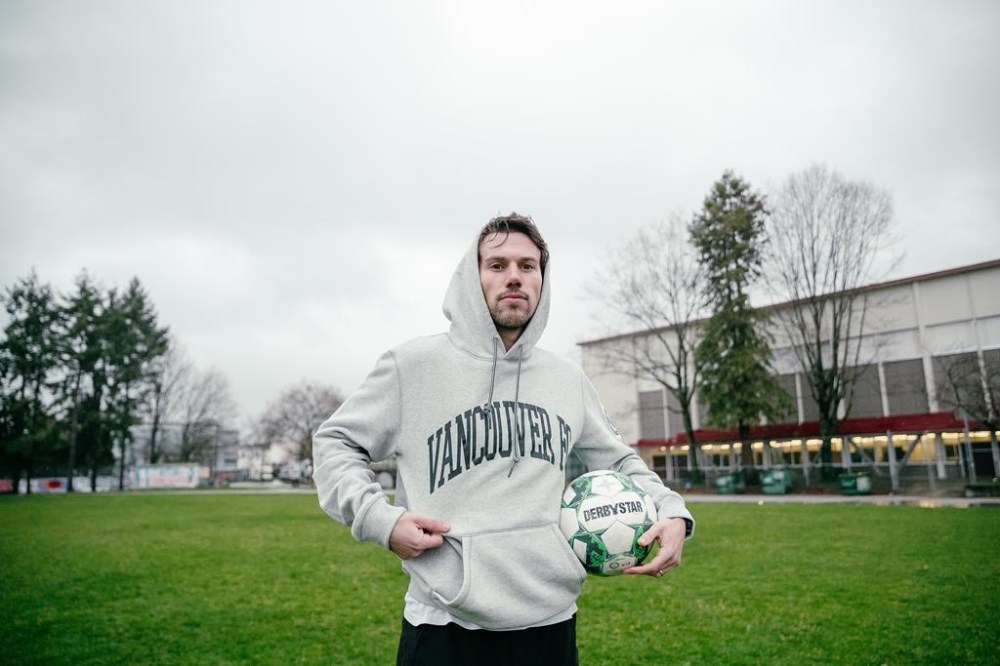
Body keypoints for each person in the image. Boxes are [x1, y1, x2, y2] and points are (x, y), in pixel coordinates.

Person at [313, 214, 694, 666]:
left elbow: (619, 462)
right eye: (497, 265)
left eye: (527, 266)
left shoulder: (566, 379)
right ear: (471, 277)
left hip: (550, 625)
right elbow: (335, 442)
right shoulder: (412, 366)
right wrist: (381, 520)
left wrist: (671, 510)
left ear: (541, 280)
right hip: (443, 625)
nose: (514, 276)